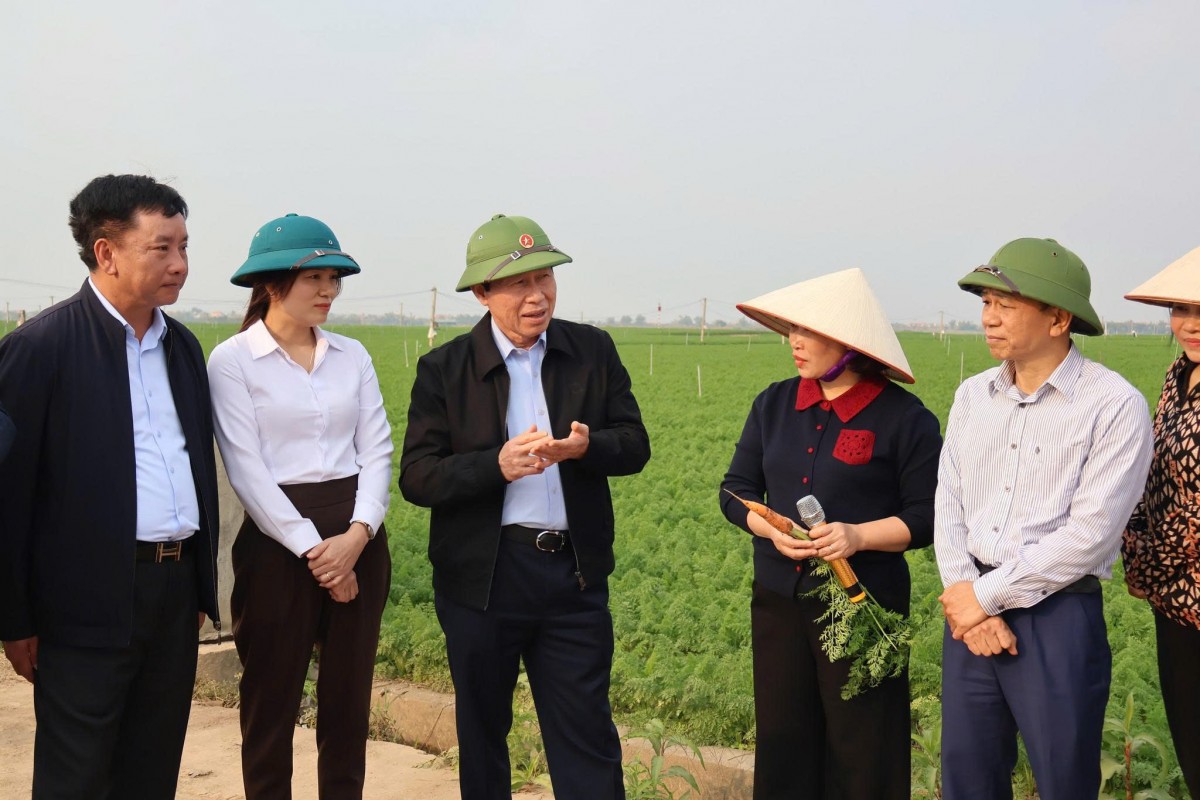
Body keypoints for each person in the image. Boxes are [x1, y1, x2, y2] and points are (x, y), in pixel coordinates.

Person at [399, 213, 651, 800]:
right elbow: (418, 476)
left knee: (585, 730)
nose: (537, 296)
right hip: (484, 579)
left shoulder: (591, 350)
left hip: (573, 576)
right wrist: (496, 465)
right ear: (483, 294)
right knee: (483, 730)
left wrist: (589, 446)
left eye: (546, 279)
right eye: (518, 284)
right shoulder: (445, 370)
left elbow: (634, 444)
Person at [0, 174, 220, 799]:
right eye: (162, 248)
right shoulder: (39, 349)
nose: (180, 264)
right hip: (82, 600)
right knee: (77, 776)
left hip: (173, 594)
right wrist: (14, 618)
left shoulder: (182, 347)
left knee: (151, 772)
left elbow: (193, 466)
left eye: (184, 246)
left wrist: (199, 584)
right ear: (107, 252)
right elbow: (10, 498)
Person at [935, 237, 1154, 800]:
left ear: (1058, 319)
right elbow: (949, 503)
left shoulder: (1112, 404)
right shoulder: (972, 397)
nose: (988, 319)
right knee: (967, 776)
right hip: (969, 609)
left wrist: (984, 599)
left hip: (1057, 613)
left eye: (1005, 306)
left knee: (1063, 778)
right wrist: (966, 594)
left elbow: (1090, 535)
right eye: (985, 304)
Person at [719, 268, 942, 800]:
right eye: (791, 330)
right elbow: (734, 491)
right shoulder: (772, 404)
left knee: (864, 742)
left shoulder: (905, 419)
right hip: (779, 601)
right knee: (784, 737)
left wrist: (857, 537)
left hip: (864, 608)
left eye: (810, 332)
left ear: (850, 344)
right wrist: (769, 530)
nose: (794, 342)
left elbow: (928, 516)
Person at [208, 214, 393, 800]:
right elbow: (248, 471)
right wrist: (318, 553)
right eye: (314, 277)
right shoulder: (233, 361)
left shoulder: (352, 355)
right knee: (270, 702)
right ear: (270, 283)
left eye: (333, 277)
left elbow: (378, 451)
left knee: (348, 703)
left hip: (359, 536)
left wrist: (358, 536)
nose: (328, 290)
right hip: (277, 545)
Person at [1122, 245, 1200, 797]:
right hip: (1176, 596)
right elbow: (1153, 475)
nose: (1190, 325)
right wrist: (1133, 539)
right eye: (1180, 310)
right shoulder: (1179, 376)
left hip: (1184, 576)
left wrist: (1145, 556)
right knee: (1190, 731)